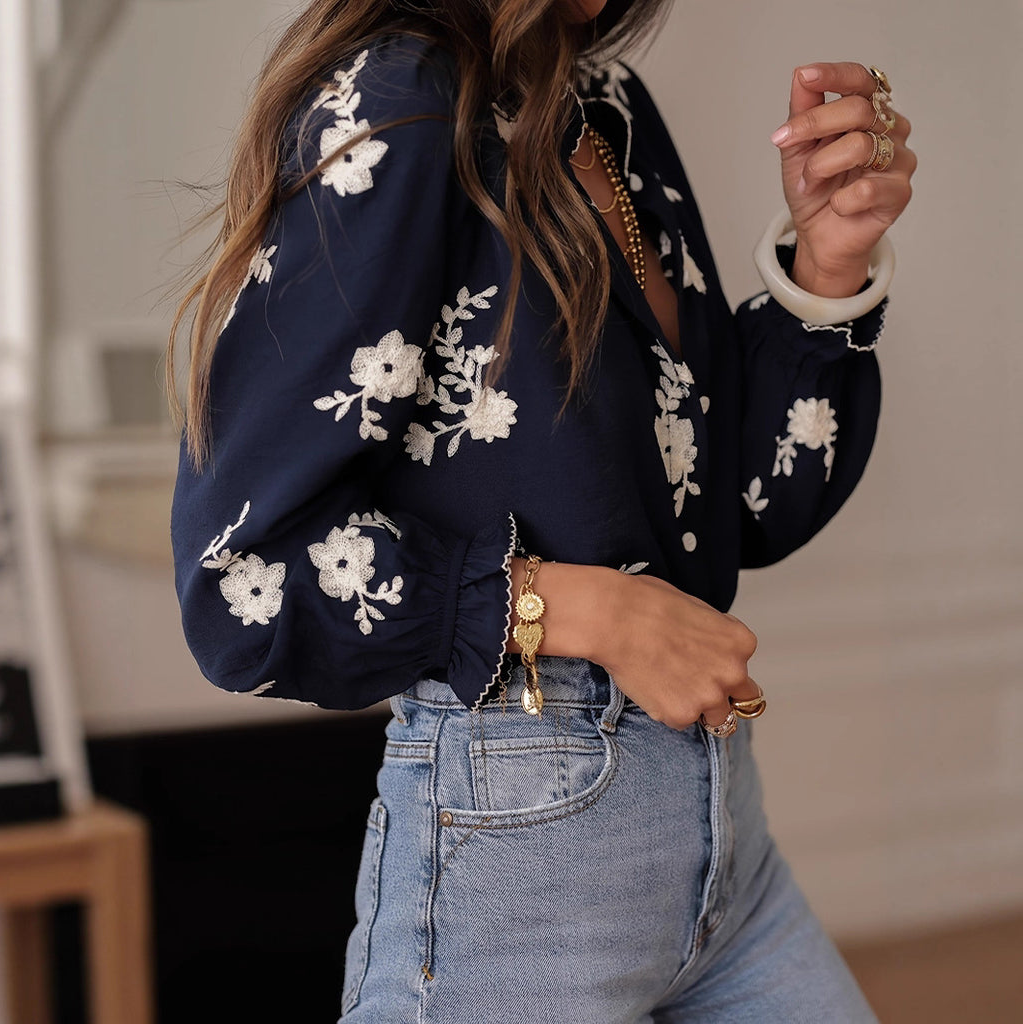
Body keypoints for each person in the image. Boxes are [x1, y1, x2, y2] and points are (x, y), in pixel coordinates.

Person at [168, 0, 915, 1019]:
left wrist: (827, 266)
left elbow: (740, 507)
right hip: (519, 853)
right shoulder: (397, 100)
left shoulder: (604, 102)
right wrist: (580, 609)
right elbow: (243, 575)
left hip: (726, 855)